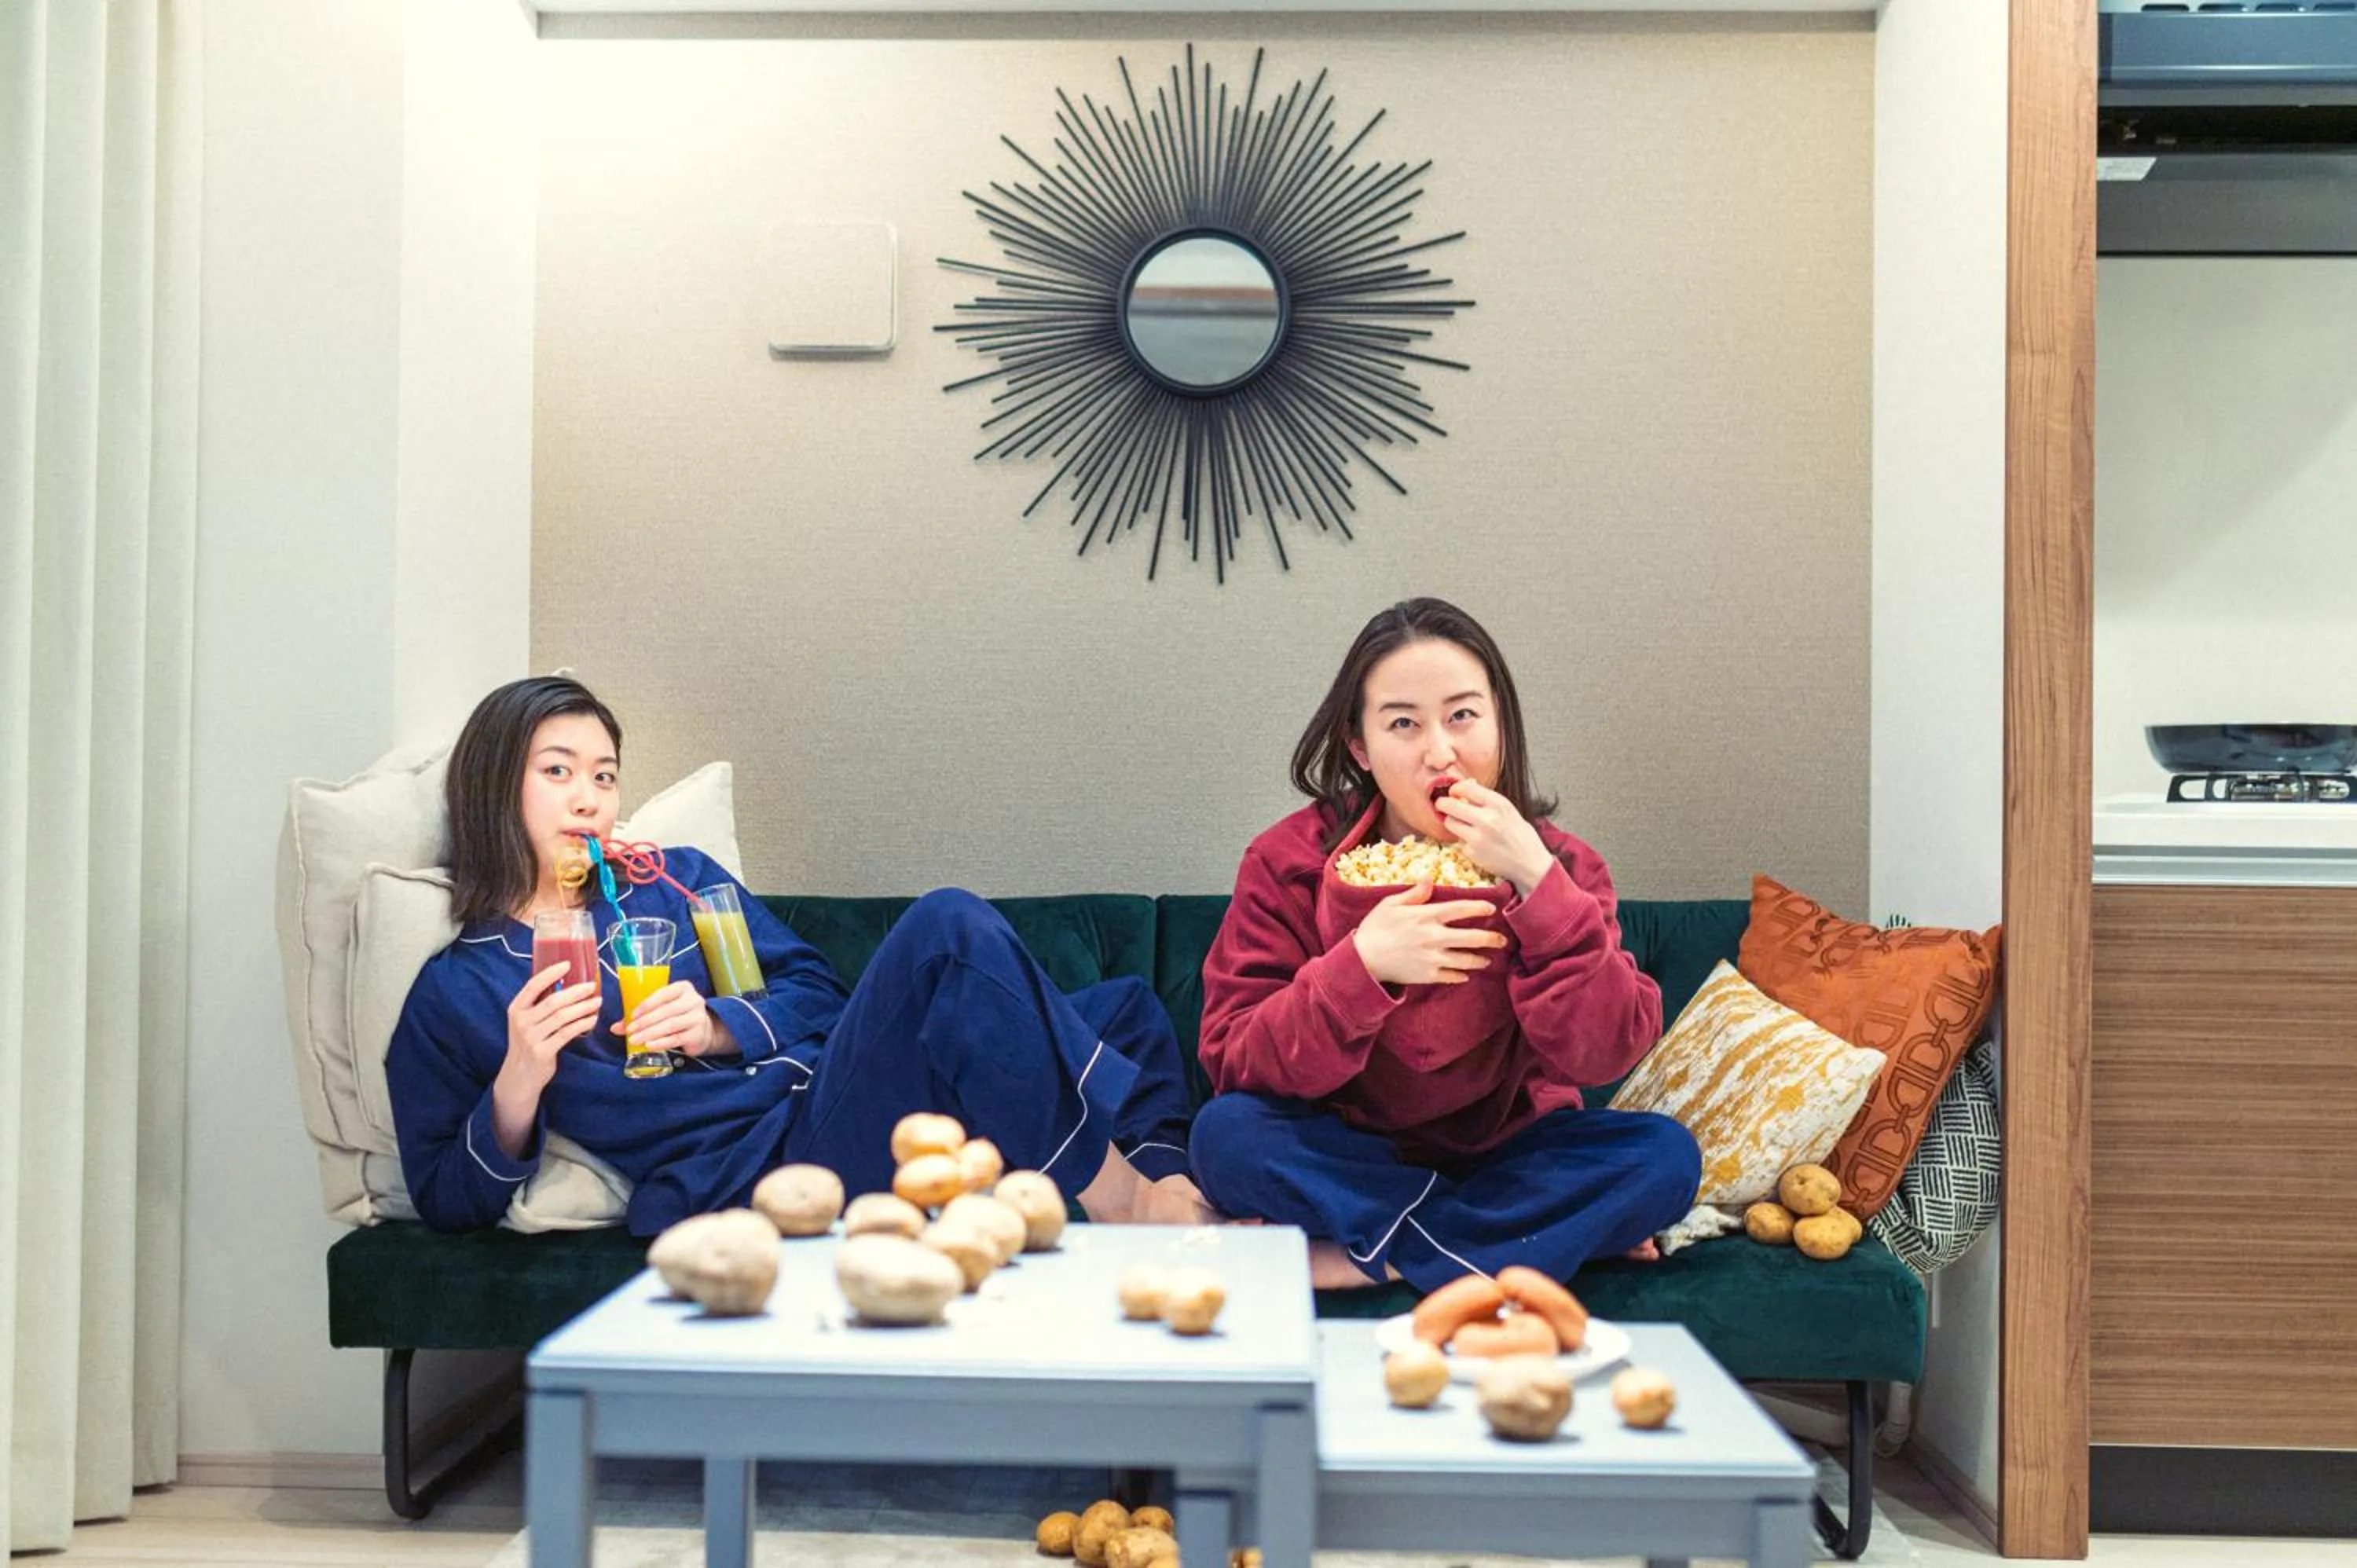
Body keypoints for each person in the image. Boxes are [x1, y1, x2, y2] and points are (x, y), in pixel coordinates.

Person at [387, 676, 1209, 1238]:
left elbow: (818, 989)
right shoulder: (460, 990)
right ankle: (1128, 1204)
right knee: (946, 928)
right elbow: (447, 1201)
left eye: (604, 775)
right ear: (496, 786)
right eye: (557, 771)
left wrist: (718, 1025)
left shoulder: (674, 883)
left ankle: (1169, 1180)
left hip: (834, 1089)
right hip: (770, 1164)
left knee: (1123, 1009)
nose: (589, 796)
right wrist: (518, 1084)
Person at [1190, 598, 1700, 1291]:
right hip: (1346, 1153)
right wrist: (1360, 966)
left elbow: (1607, 1051)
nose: (1441, 751)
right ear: (1360, 747)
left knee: (1666, 1159)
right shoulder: (1289, 862)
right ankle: (1515, 1245)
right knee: (1226, 1139)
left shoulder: (1562, 864)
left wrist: (1537, 882)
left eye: (1463, 716)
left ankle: (1369, 1260)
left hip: (1512, 1153)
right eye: (1404, 723)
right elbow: (1233, 1059)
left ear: (1500, 724)